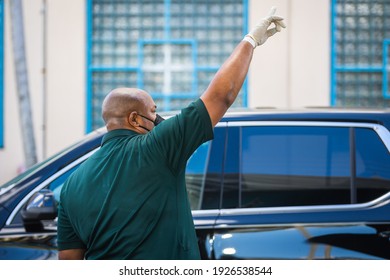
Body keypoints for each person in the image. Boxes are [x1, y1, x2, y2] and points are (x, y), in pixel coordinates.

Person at [57, 7, 286, 260]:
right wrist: (250, 41)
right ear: (134, 119)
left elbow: (69, 261)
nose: (158, 120)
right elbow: (222, 95)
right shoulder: (156, 147)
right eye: (153, 113)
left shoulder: (70, 187)